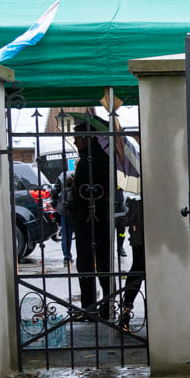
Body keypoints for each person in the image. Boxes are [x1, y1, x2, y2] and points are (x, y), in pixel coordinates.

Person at [69, 121, 114, 319]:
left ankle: (92, 307)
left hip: (92, 218)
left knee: (89, 261)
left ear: (87, 137)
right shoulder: (96, 156)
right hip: (95, 216)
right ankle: (105, 304)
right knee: (102, 262)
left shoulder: (93, 158)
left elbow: (94, 188)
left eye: (77, 136)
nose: (74, 141)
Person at [118, 194, 145, 335]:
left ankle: (125, 311)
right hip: (142, 231)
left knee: (137, 270)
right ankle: (125, 311)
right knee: (138, 270)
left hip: (140, 231)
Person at [52, 169, 75, 265]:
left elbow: (55, 190)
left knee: (66, 234)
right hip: (77, 209)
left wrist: (55, 204)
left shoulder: (62, 175)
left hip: (64, 208)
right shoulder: (83, 173)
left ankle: (66, 257)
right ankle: (84, 257)